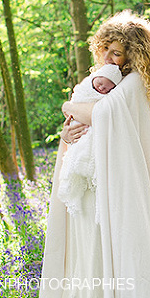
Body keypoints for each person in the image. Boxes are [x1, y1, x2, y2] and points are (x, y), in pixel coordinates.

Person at [19, 11, 150, 298]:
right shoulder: (102, 81)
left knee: (113, 247)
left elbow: (104, 115)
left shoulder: (136, 83)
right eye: (105, 48)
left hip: (118, 186)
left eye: (117, 51)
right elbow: (85, 120)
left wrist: (69, 105)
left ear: (135, 54)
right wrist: (69, 128)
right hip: (92, 181)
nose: (108, 57)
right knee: (89, 250)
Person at [55, 63, 123, 217]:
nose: (102, 90)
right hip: (79, 136)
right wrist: (66, 132)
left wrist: (67, 107)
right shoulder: (84, 89)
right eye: (99, 84)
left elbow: (100, 114)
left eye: (107, 89)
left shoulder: (124, 88)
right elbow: (78, 103)